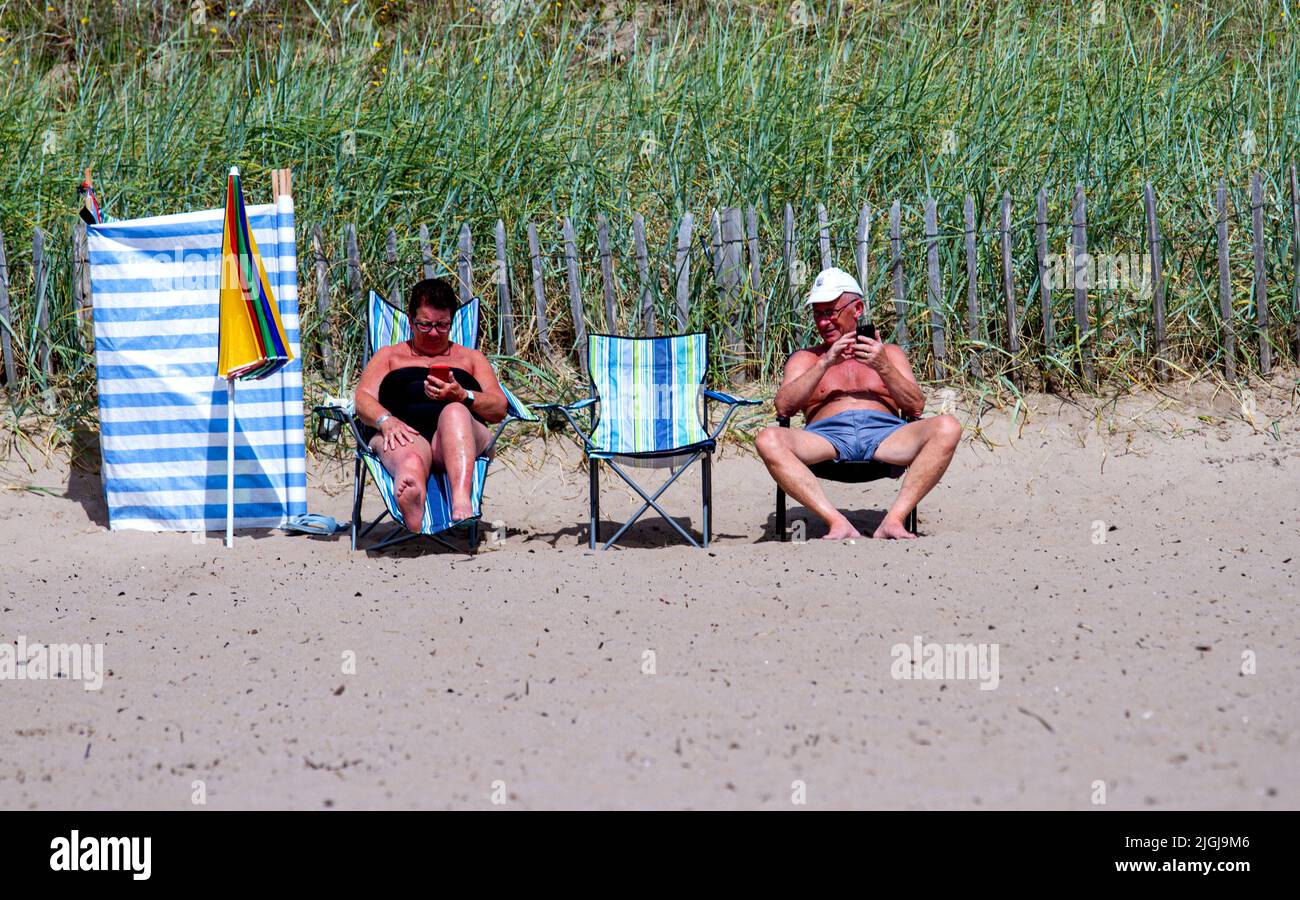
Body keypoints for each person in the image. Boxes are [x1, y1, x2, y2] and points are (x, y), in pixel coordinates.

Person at [755, 268, 961, 540]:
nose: (824, 322)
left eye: (831, 312)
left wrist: (883, 366)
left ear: (858, 309)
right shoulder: (806, 359)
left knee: (948, 427)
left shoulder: (889, 354)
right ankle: (836, 521)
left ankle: (894, 520)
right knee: (767, 439)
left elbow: (915, 407)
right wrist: (825, 363)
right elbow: (784, 407)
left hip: (886, 435)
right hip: (826, 437)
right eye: (818, 314)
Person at [354, 278, 509, 531]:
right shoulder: (389, 356)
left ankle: (461, 500)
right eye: (425, 325)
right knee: (412, 458)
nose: (434, 333)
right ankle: (412, 492)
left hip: (461, 436)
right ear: (410, 319)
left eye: (442, 325)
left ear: (453, 320)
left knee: (455, 412)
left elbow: (498, 408)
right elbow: (362, 399)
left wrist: (463, 395)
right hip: (405, 433)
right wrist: (386, 420)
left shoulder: (471, 358)